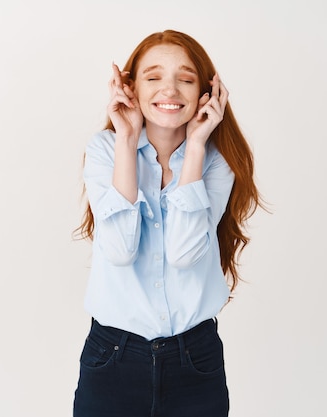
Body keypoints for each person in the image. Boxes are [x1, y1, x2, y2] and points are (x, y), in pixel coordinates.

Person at [73, 29, 262, 417]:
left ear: (206, 92)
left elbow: (183, 253)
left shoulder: (216, 159)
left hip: (194, 361)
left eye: (186, 79)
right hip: (112, 358)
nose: (170, 90)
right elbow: (121, 250)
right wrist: (126, 141)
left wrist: (194, 147)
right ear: (130, 87)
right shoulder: (104, 150)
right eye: (154, 77)